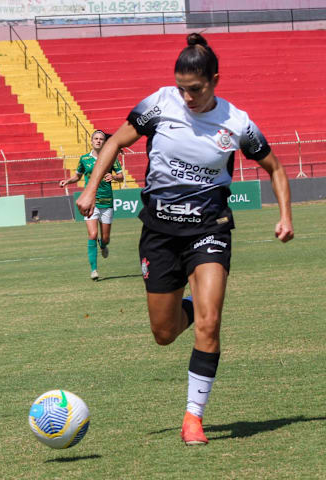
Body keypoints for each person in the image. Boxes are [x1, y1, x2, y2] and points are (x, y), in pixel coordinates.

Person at [76, 33, 293, 445]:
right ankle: (188, 306)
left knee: (210, 324)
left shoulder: (237, 122)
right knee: (164, 332)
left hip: (209, 229)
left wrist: (285, 215)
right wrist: (90, 187)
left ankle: (193, 418)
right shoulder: (159, 104)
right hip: (159, 233)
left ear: (215, 80)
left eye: (195, 89)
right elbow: (118, 140)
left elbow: (276, 168)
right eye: (181, 88)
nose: (187, 97)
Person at [60, 129, 124, 280]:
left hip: (106, 201)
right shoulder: (84, 159)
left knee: (105, 238)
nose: (98, 141)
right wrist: (68, 181)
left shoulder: (112, 158)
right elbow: (78, 176)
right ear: (91, 140)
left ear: (104, 142)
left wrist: (114, 177)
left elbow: (121, 177)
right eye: (96, 138)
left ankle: (103, 245)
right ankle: (94, 270)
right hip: (91, 202)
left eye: (101, 139)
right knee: (92, 234)